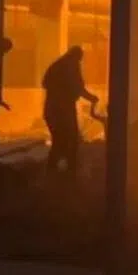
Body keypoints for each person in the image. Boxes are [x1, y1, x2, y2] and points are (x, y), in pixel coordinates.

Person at [42, 45, 97, 176]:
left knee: (59, 140)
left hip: (52, 110)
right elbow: (78, 88)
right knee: (69, 140)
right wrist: (91, 98)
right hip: (63, 111)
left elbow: (45, 83)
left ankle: (53, 171)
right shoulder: (71, 66)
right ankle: (69, 172)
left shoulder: (57, 65)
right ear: (76, 57)